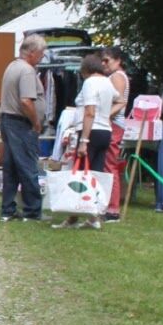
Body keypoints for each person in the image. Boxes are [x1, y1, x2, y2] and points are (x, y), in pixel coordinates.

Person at [56, 52, 115, 230]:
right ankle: (93, 216)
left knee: (80, 174)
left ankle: (73, 216)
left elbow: (89, 111)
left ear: (86, 70)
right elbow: (120, 99)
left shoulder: (90, 83)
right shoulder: (107, 82)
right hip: (105, 130)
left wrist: (84, 140)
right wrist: (107, 115)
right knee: (95, 174)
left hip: (91, 131)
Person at [0, 34, 48, 223]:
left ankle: (8, 209)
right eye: (41, 54)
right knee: (27, 166)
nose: (42, 58)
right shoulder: (27, 71)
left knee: (11, 167)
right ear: (33, 52)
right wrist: (36, 122)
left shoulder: (12, 66)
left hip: (8, 120)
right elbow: (26, 101)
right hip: (21, 123)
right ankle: (32, 210)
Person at [100, 46, 132, 221]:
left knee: (110, 165)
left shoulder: (117, 76)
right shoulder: (114, 76)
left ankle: (113, 209)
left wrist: (103, 115)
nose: (104, 64)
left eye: (107, 60)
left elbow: (119, 102)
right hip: (112, 123)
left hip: (114, 124)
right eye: (102, 60)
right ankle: (108, 206)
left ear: (118, 60)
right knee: (108, 165)